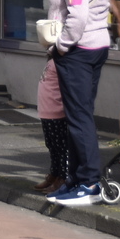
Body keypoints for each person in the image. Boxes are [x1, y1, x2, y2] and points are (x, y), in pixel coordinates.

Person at [40, 0, 112, 207]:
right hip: (98, 45)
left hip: (78, 50)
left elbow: (78, 14)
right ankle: (75, 179)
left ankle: (89, 183)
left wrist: (62, 45)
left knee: (78, 118)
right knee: (79, 115)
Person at [35, 57, 70, 195]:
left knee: (61, 147)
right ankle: (54, 174)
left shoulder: (63, 60)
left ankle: (63, 177)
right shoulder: (52, 60)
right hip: (46, 110)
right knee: (51, 145)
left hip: (56, 111)